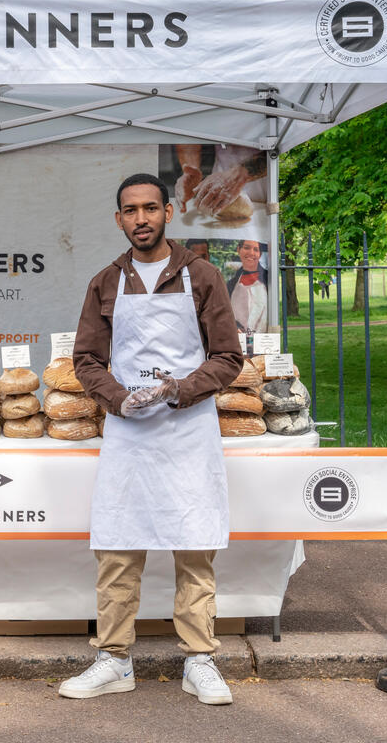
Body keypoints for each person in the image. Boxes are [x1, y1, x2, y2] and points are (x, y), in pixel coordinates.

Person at [63, 173, 244, 705]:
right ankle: (114, 659)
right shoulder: (105, 282)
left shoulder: (202, 276)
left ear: (168, 211)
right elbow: (87, 360)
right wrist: (120, 399)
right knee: (119, 546)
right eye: (129, 210)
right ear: (118, 218)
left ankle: (200, 660)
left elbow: (228, 356)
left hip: (188, 430)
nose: (140, 219)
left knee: (194, 544)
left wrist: (180, 391)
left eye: (149, 208)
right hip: (129, 434)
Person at [227, 239, 268, 334]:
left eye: (256, 250)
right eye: (246, 248)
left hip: (263, 342)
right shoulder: (231, 285)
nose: (251, 253)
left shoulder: (268, 280)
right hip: (237, 342)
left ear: (260, 254)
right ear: (238, 249)